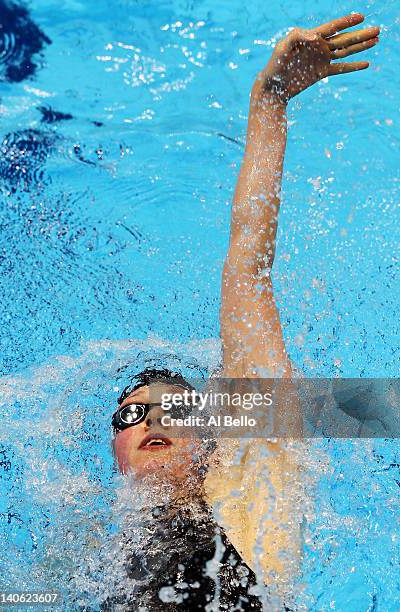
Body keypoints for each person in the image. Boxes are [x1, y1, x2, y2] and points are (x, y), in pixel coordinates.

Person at [107, 13, 380, 611]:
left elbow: (246, 270)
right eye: (132, 415)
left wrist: (271, 101)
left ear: (211, 435)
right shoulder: (85, 553)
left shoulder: (250, 481)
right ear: (115, 453)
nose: (152, 422)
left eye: (175, 410)